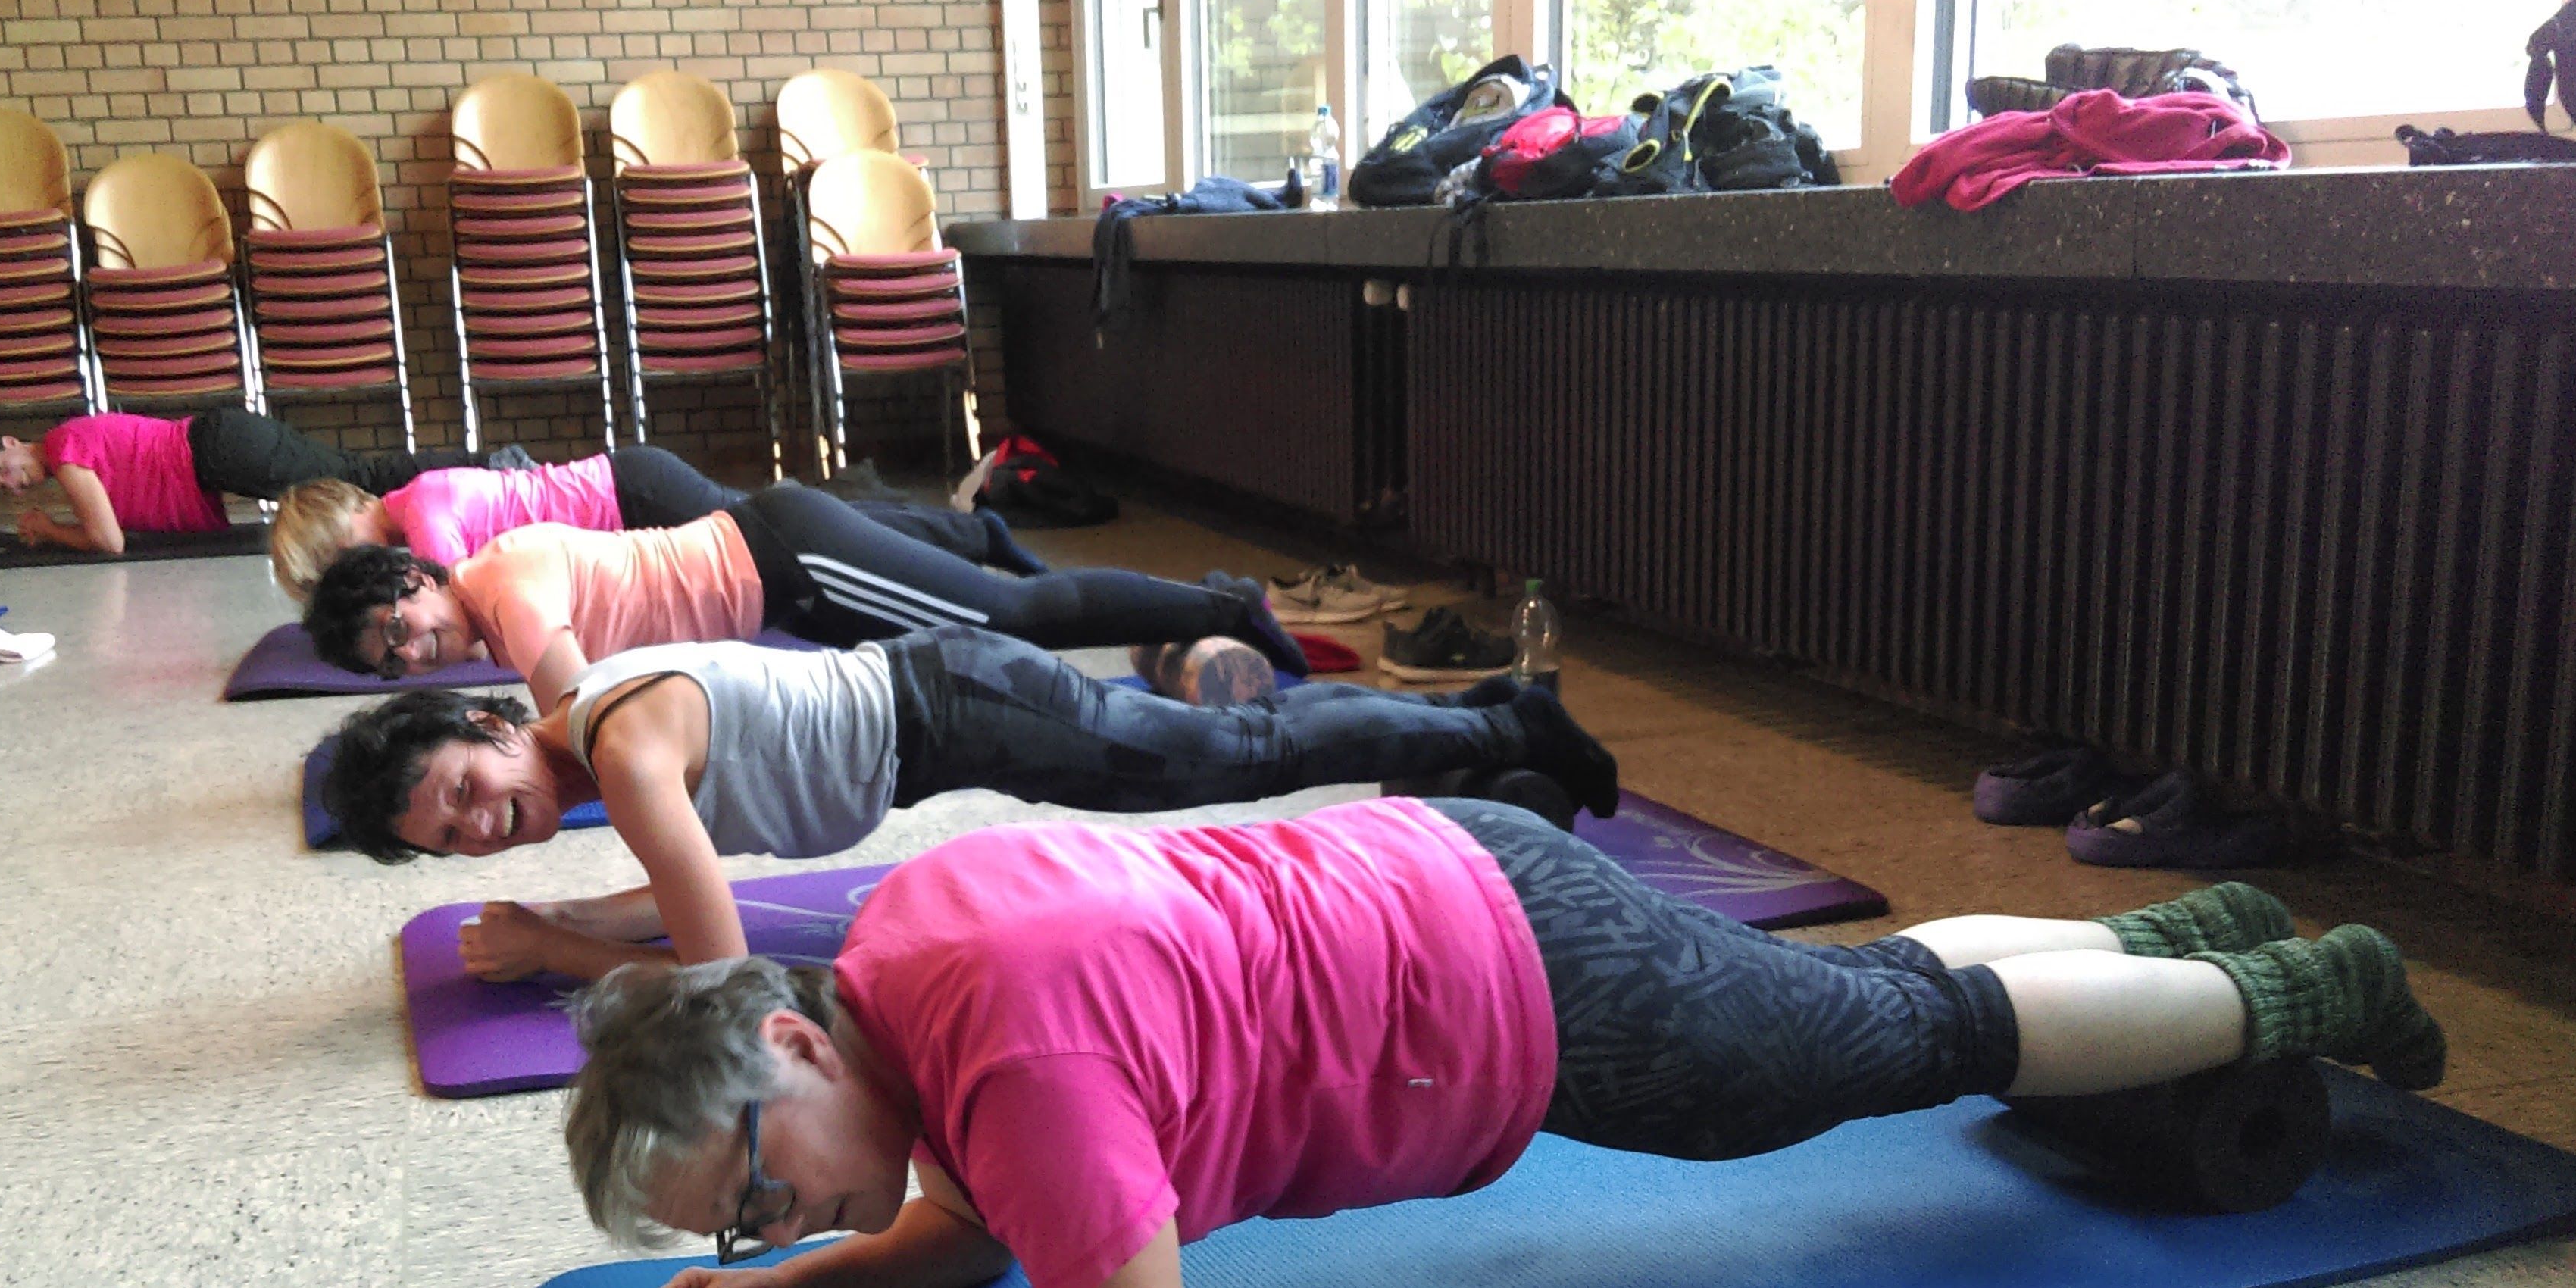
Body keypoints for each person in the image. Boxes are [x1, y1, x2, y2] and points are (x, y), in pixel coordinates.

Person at [557, 801, 2446, 1288]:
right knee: (1865, 998)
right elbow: (985, 1214)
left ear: (788, 1036)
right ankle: (2185, 937)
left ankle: (2310, 988)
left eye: (760, 1185)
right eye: (742, 1227)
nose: (781, 1216)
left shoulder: (1024, 1080)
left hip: (1529, 994)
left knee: (1908, 1036)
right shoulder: (904, 947)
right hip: (1449, 868)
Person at [318, 632, 1620, 983]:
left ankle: (1507, 720)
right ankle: (1479, 744)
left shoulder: (625, 749)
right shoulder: (583, 740)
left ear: (491, 724)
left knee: (1237, 753)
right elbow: (678, 878)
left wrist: (556, 951)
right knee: (1231, 749)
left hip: (960, 705)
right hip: (945, 710)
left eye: (465, 790)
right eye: (451, 837)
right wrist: (575, 918)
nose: (480, 826)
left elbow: (722, 969)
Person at [299, 484, 1310, 714]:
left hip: (792, 559)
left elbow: (579, 709)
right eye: (392, 663)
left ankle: (1222, 607)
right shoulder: (484, 603)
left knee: (1013, 616)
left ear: (412, 576)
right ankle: (1197, 619)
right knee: (976, 650)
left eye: (399, 629)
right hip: (784, 593)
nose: (413, 654)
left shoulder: (504, 589)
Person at [266, 446, 1046, 599]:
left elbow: (451, 598)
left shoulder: (424, 512)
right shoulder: (410, 505)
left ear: (354, 510)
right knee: (807, 524)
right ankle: (968, 536)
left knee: (807, 534)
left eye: (343, 558)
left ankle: (973, 537)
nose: (354, 576)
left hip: (636, 494)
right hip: (632, 490)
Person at [0, 408, 484, 555]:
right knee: (359, 480)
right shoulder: (66, 453)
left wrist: (50, 530)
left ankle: (489, 467)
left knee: (359, 480)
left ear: (11, 442)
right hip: (223, 450)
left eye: (2, 470)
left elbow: (108, 541)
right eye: (3, 489)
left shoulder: (64, 451)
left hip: (222, 448)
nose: (13, 483)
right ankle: (483, 472)